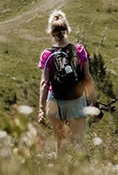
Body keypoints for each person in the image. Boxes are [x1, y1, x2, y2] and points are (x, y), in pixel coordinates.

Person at [37, 9, 94, 151]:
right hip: (77, 100)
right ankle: (84, 171)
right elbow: (87, 77)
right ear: (67, 30)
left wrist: (41, 110)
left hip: (55, 101)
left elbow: (45, 83)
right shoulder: (79, 50)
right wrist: (94, 102)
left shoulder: (47, 55)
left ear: (51, 33)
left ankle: (60, 171)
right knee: (78, 142)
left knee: (60, 142)